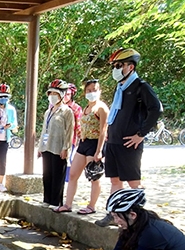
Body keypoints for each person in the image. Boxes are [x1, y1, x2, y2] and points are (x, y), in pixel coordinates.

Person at [95, 48, 162, 227]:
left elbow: (156, 109)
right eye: (114, 66)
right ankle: (114, 213)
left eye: (119, 65)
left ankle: (142, 218)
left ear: (130, 67)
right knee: (115, 180)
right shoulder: (121, 87)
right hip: (114, 141)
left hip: (129, 143)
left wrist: (141, 134)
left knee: (133, 182)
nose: (115, 69)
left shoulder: (141, 86)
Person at [53, 79, 108, 214]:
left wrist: (99, 151)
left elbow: (103, 131)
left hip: (95, 144)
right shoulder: (86, 107)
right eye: (88, 90)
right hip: (83, 143)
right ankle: (67, 204)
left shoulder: (102, 108)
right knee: (73, 174)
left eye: (94, 90)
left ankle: (91, 206)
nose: (91, 93)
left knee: (93, 176)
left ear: (99, 91)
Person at [38, 79, 74, 208]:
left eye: (55, 93)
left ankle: (55, 202)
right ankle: (46, 200)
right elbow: (44, 130)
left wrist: (66, 148)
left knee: (58, 176)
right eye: (50, 93)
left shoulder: (67, 111)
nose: (52, 96)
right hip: (47, 147)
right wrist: (40, 146)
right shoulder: (48, 112)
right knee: (47, 174)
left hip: (59, 148)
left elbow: (70, 131)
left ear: (62, 95)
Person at [64, 82, 82, 182]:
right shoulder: (54, 106)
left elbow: (79, 124)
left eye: (68, 94)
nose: (66, 96)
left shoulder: (76, 108)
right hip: (57, 138)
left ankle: (68, 179)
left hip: (71, 138)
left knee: (68, 159)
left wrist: (80, 136)